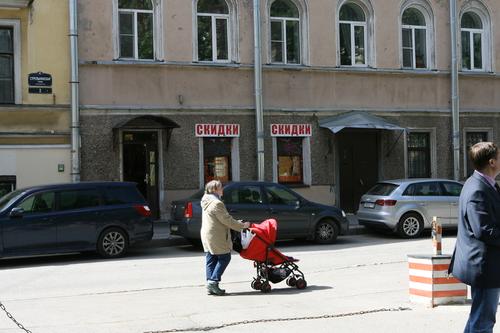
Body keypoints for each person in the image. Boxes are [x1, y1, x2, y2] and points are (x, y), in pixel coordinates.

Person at [450, 142, 500, 333]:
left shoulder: (486, 184)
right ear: (492, 162)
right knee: (484, 321)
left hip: (485, 265)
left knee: (478, 317)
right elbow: (484, 230)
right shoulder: (477, 189)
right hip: (484, 267)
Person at [200, 180, 250, 296]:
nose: (223, 190)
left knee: (211, 258)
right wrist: (242, 226)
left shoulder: (205, 199)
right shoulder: (217, 203)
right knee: (224, 257)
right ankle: (213, 282)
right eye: (221, 188)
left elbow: (219, 219)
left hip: (207, 234)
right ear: (215, 190)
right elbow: (226, 220)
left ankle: (210, 284)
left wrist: (235, 222)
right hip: (216, 235)